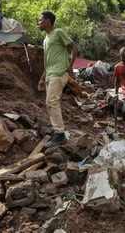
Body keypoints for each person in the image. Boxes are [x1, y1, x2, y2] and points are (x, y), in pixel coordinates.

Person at [38, 11, 78, 148]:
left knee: (52, 101)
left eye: (40, 20)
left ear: (48, 21)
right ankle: (57, 130)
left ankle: (60, 134)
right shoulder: (45, 40)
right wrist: (42, 78)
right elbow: (47, 62)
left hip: (59, 73)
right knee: (50, 103)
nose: (39, 22)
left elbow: (74, 47)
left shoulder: (58, 32)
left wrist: (70, 66)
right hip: (50, 74)